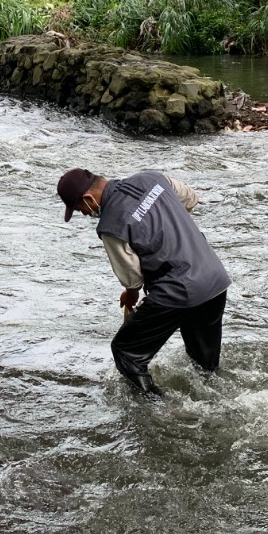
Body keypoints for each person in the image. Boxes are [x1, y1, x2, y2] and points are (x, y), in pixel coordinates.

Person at [57, 167, 231, 397]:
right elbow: (191, 198)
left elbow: (132, 276)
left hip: (179, 290)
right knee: (204, 365)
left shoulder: (111, 225)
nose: (84, 214)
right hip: (215, 279)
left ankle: (160, 410)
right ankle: (216, 400)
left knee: (126, 351)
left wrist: (131, 294)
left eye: (79, 208)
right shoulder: (153, 178)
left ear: (88, 199)